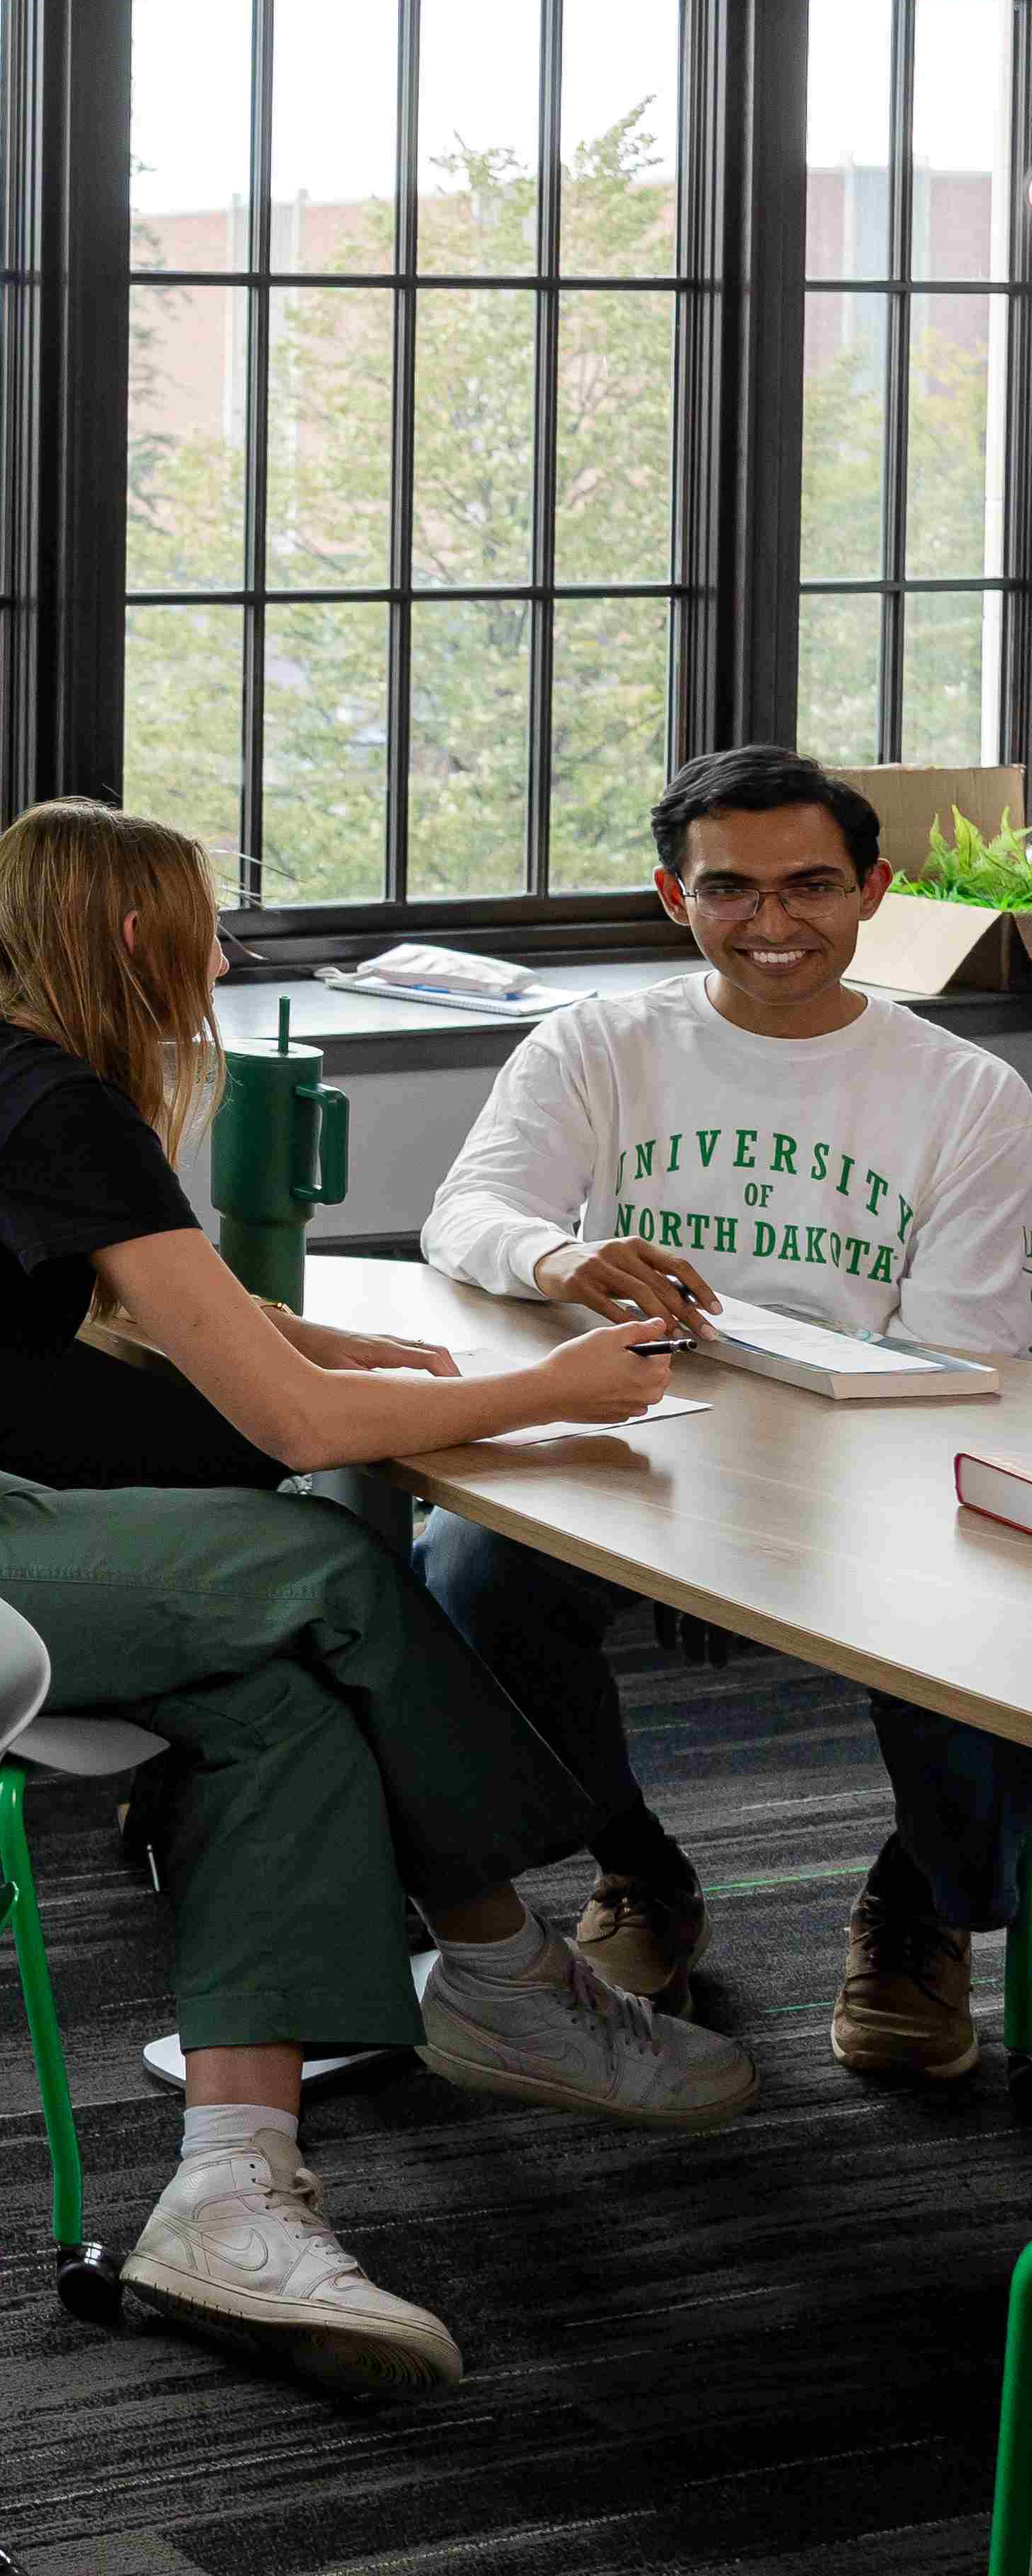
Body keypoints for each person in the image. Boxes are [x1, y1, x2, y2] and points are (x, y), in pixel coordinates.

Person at [0, 796, 751, 2396]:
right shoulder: (54, 1104)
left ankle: (229, 2184)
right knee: (319, 1560)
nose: (220, 958)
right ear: (138, 934)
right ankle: (505, 1970)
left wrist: (331, 1341)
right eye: (206, 926)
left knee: (271, 1697)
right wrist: (550, 1391)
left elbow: (113, 1329)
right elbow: (287, 1438)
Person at [420, 746, 1032, 2077]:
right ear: (671, 897)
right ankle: (638, 1868)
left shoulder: (972, 1098)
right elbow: (467, 1213)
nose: (772, 924)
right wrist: (560, 1258)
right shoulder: (598, 1042)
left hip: (873, 1461)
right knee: (458, 1577)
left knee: (993, 1635)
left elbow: (962, 1348)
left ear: (873, 890)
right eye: (730, 891)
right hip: (625, 1434)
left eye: (810, 887)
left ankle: (919, 1905)